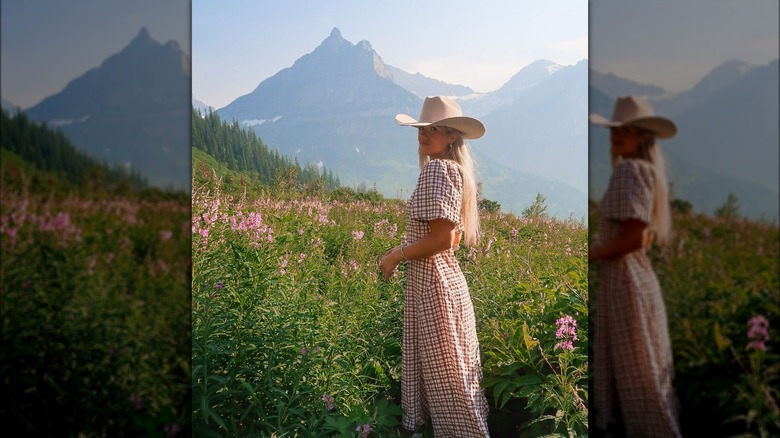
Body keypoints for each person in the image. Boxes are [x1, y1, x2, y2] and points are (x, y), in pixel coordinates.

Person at [380, 96, 490, 437]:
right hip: (446, 280)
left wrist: (396, 254)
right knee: (454, 367)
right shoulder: (457, 172)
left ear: (452, 136)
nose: (423, 135)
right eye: (421, 129)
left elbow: (443, 239)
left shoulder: (437, 169)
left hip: (433, 284)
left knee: (447, 375)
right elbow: (453, 237)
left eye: (433, 130)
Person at [588, 95, 682, 437]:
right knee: (646, 369)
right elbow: (645, 237)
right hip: (634, 278)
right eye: (615, 129)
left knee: (637, 375)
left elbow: (634, 239)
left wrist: (593, 254)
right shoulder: (646, 171)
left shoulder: (630, 170)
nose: (617, 136)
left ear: (643, 135)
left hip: (625, 279)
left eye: (625, 130)